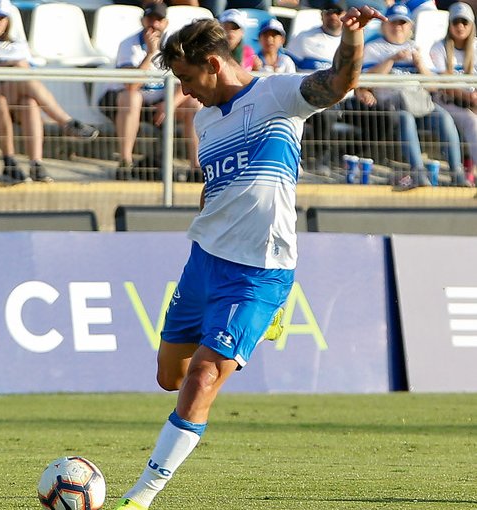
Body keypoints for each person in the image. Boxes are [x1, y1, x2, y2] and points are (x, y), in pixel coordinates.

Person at [111, 6, 382, 510]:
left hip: (258, 271)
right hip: (204, 260)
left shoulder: (277, 95)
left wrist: (352, 38)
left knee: (203, 377)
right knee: (169, 377)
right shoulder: (208, 121)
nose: (185, 91)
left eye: (189, 78)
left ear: (213, 63)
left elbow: (339, 81)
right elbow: (216, 188)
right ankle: (251, 328)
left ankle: (142, 495)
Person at [0, 0, 99, 184]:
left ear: (8, 21)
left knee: (30, 103)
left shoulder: (18, 45)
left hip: (14, 97)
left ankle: (36, 164)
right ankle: (66, 123)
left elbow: (28, 71)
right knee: (8, 90)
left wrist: (11, 66)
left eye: (1, 19)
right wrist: (10, 64)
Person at [357, 2, 469, 188]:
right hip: (389, 107)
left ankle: (456, 172)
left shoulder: (416, 48)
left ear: (410, 27)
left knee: (444, 117)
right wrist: (392, 59)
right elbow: (366, 81)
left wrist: (420, 65)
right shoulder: (374, 48)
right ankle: (418, 171)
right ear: (385, 25)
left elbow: (433, 86)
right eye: (394, 23)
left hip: (420, 104)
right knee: (405, 119)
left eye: (403, 23)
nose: (398, 27)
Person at [98, 1, 201, 180]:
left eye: (159, 20)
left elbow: (186, 80)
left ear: (166, 23)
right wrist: (151, 53)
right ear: (142, 21)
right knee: (132, 98)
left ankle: (196, 168)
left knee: (193, 103)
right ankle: (125, 162)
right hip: (121, 101)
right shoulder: (128, 44)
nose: (154, 24)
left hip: (160, 103)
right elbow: (131, 85)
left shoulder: (176, 45)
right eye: (150, 19)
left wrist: (169, 105)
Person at [430, 1, 477, 184]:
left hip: (471, 101)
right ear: (449, 25)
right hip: (446, 101)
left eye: (464, 22)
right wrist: (469, 97)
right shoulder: (438, 47)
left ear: (471, 25)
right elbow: (444, 84)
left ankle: (470, 167)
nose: (460, 26)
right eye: (456, 22)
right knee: (472, 121)